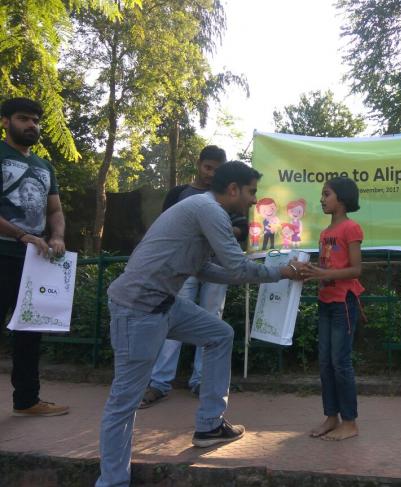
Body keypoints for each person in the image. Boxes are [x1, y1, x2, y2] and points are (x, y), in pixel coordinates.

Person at [96, 161, 308, 486]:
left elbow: (204, 269)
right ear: (233, 189)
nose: (254, 200)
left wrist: (272, 274)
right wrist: (280, 272)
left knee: (219, 334)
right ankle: (112, 482)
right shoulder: (208, 210)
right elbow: (238, 268)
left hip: (165, 303)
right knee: (123, 402)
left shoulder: (203, 209)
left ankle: (210, 425)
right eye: (252, 192)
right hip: (137, 309)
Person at [139, 145, 248, 407]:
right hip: (183, 269)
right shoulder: (179, 194)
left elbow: (243, 228)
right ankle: (159, 383)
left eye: (217, 170)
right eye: (207, 167)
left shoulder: (226, 197)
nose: (211, 174)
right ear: (198, 165)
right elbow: (165, 228)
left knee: (212, 321)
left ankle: (202, 381)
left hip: (216, 268)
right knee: (172, 319)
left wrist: (215, 231)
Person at [0, 97, 68, 417]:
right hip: (3, 252)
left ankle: (27, 400)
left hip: (34, 261)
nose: (31, 125)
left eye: (36, 121)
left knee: (30, 331)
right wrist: (20, 234)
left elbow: (55, 210)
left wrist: (57, 236)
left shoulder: (44, 166)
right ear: (5, 121)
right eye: (23, 118)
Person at [303, 176, 364, 441]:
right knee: (325, 362)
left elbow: (356, 269)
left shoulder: (351, 228)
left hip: (343, 303)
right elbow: (325, 267)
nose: (321, 199)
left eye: (326, 194)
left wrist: (325, 274)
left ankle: (350, 422)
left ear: (342, 198)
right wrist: (310, 272)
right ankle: (331, 417)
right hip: (325, 301)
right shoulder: (324, 233)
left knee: (340, 362)